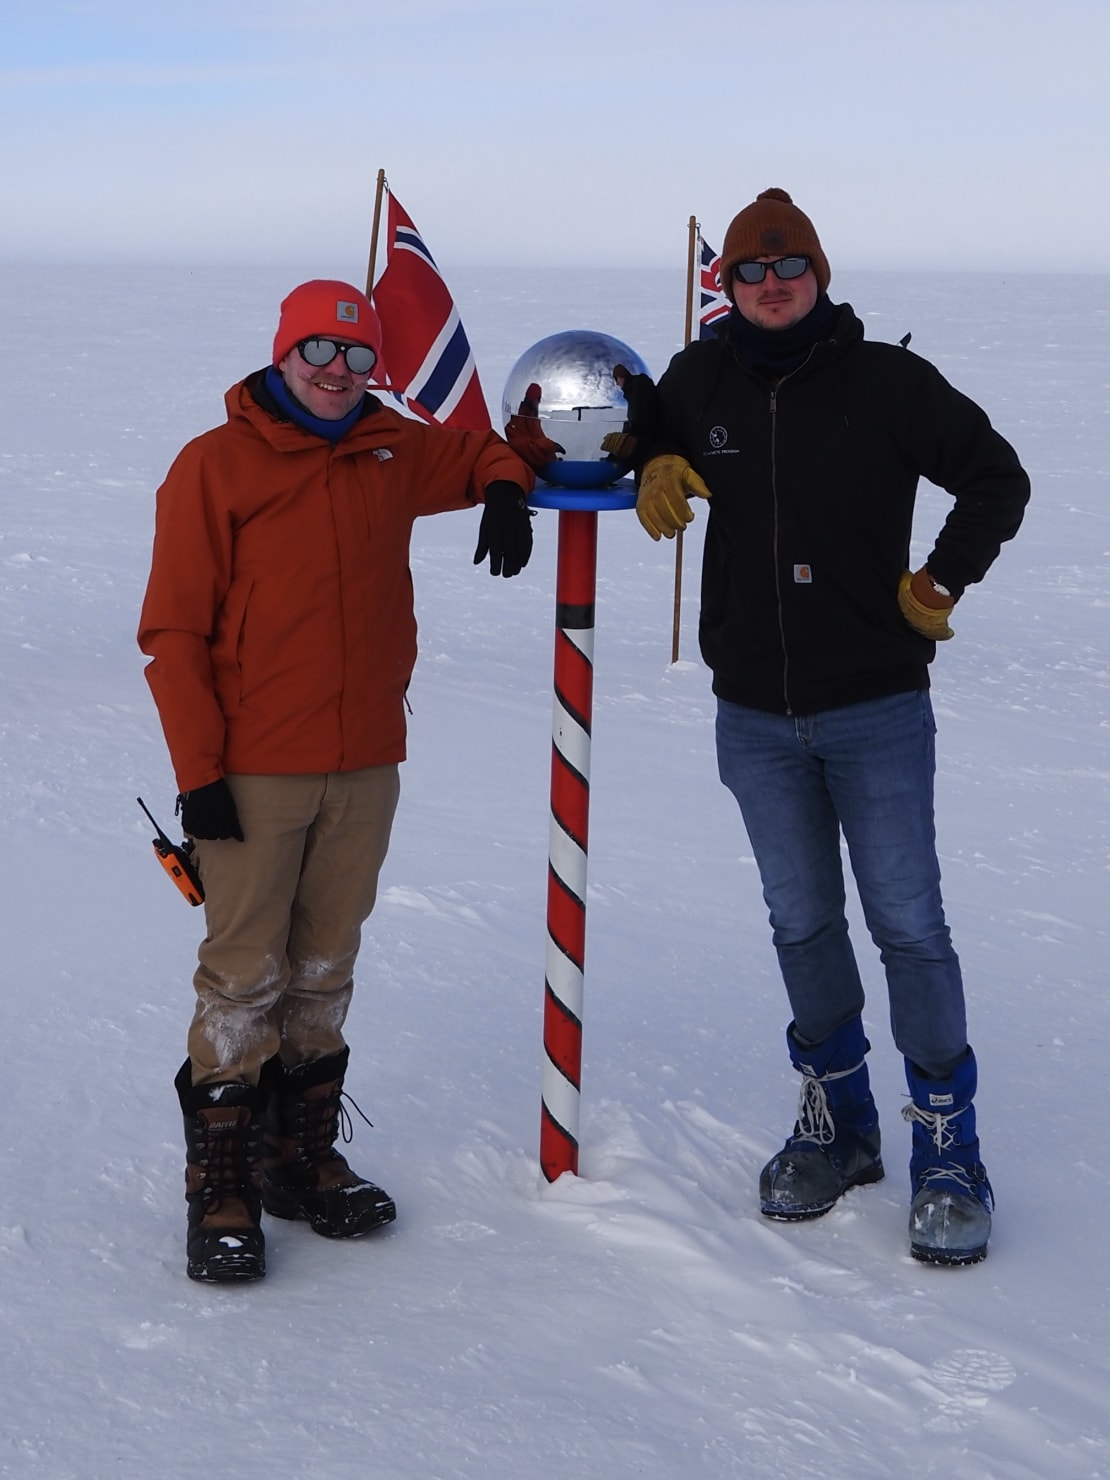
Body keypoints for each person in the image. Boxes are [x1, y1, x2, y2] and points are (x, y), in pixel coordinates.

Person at [635, 190, 1030, 1265]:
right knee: (802, 921)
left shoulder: (887, 383)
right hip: (754, 715)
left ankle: (949, 1148)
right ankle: (842, 1122)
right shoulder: (698, 377)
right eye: (752, 275)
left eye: (790, 270)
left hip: (877, 709)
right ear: (728, 287)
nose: (771, 288)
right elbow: (645, 434)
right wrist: (651, 462)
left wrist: (940, 581)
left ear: (818, 274)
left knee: (908, 922)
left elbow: (999, 479)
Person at [138, 279, 535, 1283]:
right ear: (283, 350)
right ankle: (219, 1181)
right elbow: (172, 633)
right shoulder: (213, 466)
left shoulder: (388, 447)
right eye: (318, 349)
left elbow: (486, 444)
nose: (336, 372)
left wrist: (502, 488)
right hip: (253, 770)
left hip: (365, 763)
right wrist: (200, 775)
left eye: (358, 357)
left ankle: (298, 1156)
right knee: (241, 973)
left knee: (324, 964)